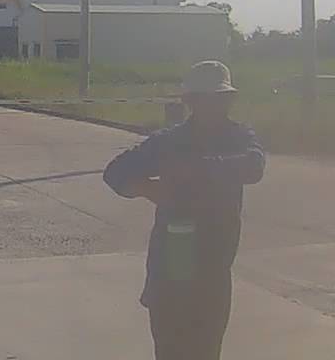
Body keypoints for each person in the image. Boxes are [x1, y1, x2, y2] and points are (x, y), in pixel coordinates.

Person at [103, 60, 266, 360]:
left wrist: (197, 169)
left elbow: (254, 166)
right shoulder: (169, 141)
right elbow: (115, 173)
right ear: (190, 101)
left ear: (230, 100)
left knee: (206, 351)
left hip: (212, 273)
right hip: (169, 271)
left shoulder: (239, 137)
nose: (214, 106)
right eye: (206, 99)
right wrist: (150, 190)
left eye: (221, 99)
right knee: (170, 351)